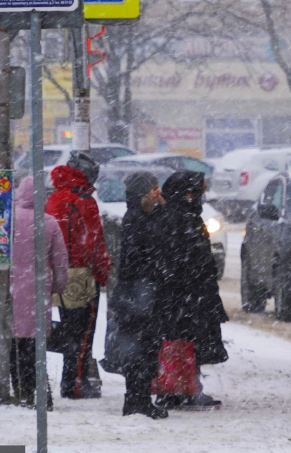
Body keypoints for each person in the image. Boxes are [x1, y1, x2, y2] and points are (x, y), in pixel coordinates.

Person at [158, 171, 228, 409]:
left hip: (187, 293)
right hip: (185, 293)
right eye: (199, 192)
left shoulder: (182, 215)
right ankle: (181, 389)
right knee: (183, 341)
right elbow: (181, 258)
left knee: (185, 342)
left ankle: (183, 388)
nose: (201, 197)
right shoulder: (179, 218)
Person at [104, 171, 172, 419]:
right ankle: (136, 401)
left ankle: (140, 399)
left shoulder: (145, 216)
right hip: (139, 295)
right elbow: (140, 258)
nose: (159, 193)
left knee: (147, 348)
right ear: (143, 192)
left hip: (144, 294)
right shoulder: (136, 219)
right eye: (154, 188)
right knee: (140, 349)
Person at [45, 153, 112, 399]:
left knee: (69, 328)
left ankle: (70, 380)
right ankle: (74, 383)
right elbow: (94, 241)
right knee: (83, 331)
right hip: (81, 273)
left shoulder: (54, 197)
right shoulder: (84, 200)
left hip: (56, 271)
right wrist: (102, 272)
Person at [9, 175, 69, 408]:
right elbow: (60, 261)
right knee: (36, 347)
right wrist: (57, 286)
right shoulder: (49, 222)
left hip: (11, 291)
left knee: (15, 346)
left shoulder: (9, 220)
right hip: (37, 291)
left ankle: (21, 390)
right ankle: (42, 394)